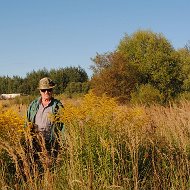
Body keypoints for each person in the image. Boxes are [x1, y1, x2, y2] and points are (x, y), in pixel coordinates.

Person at [25, 77, 64, 171]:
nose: (46, 92)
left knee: (50, 168)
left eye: (49, 89)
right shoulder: (33, 105)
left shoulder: (57, 106)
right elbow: (27, 122)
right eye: (43, 90)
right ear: (40, 91)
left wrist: (62, 143)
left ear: (52, 90)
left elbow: (63, 127)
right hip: (35, 142)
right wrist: (27, 138)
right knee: (36, 167)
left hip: (51, 144)